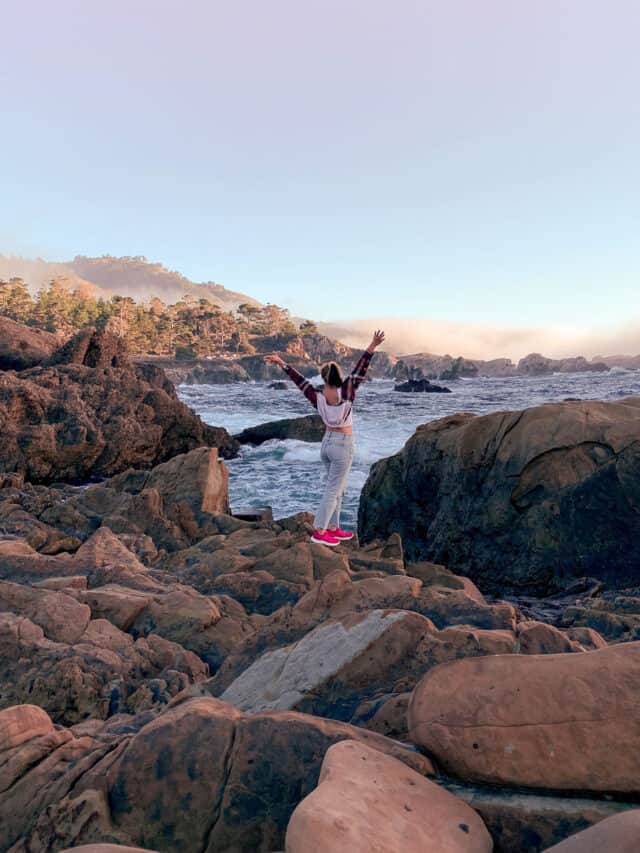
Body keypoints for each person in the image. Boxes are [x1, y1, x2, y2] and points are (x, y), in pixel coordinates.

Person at [264, 330, 385, 546]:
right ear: (339, 376)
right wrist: (372, 345)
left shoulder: (316, 394)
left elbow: (298, 379)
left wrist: (281, 362)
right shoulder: (347, 391)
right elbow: (361, 368)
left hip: (326, 444)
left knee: (338, 488)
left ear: (323, 377)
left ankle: (333, 528)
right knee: (334, 489)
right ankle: (319, 530)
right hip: (342, 446)